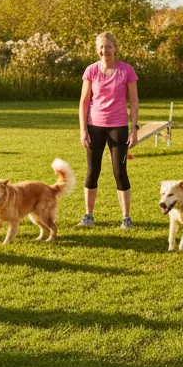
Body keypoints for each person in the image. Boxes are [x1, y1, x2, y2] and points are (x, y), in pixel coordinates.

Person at [77, 31, 139, 229]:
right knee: (92, 171)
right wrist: (83, 130)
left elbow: (134, 101)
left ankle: (126, 218)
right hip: (94, 126)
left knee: (120, 171)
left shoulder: (126, 70)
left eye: (109, 46)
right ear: (98, 50)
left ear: (115, 48)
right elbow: (84, 102)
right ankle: (88, 215)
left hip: (118, 127)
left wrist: (134, 128)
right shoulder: (91, 70)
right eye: (102, 47)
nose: (105, 51)